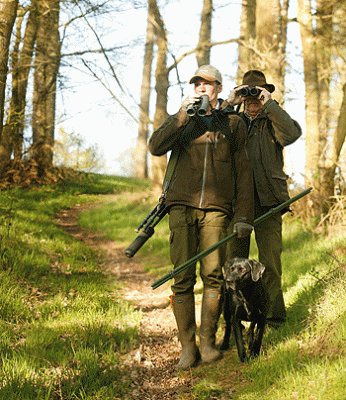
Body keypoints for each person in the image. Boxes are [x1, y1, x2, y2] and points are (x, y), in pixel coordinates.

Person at [148, 65, 254, 370]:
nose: (202, 88)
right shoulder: (183, 120)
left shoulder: (233, 122)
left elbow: (244, 174)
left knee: (213, 276)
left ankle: (207, 344)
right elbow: (156, 147)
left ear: (219, 89)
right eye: (197, 84)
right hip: (181, 206)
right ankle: (188, 348)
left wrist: (243, 216)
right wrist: (182, 115)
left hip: (218, 210)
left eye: (208, 84)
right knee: (182, 277)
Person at [225, 70, 302, 328]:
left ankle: (274, 321)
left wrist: (270, 104)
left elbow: (291, 135)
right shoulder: (231, 120)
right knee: (233, 265)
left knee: (269, 264)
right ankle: (233, 320)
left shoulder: (272, 120)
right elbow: (210, 135)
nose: (253, 99)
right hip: (237, 205)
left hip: (269, 201)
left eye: (258, 93)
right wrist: (228, 104)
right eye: (248, 93)